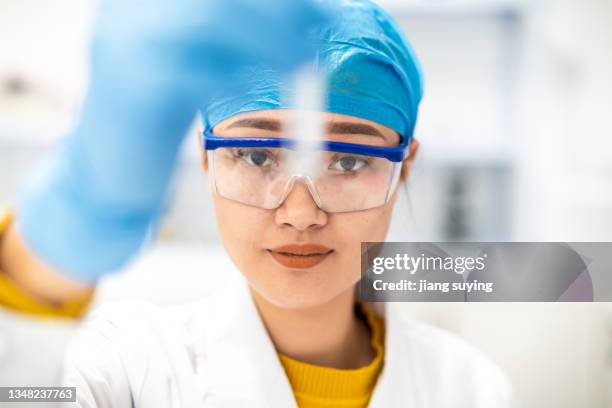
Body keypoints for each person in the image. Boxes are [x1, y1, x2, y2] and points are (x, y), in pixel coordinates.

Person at [0, 0, 516, 406]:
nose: (299, 213)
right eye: (254, 154)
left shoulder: (472, 390)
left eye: (349, 162)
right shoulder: (119, 364)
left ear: (404, 168)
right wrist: (72, 233)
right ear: (206, 160)